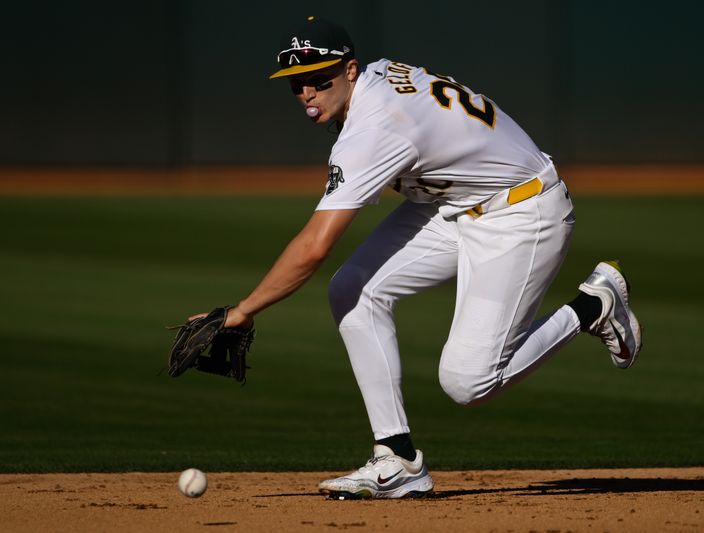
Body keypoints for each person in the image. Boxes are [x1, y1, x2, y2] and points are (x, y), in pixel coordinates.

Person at [217, 16, 642, 499]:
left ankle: (593, 306)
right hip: (457, 205)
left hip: (522, 212)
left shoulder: (373, 129)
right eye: (296, 84)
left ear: (350, 70)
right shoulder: (375, 79)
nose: (308, 93)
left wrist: (244, 309)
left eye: (320, 79)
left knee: (468, 383)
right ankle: (396, 459)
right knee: (352, 288)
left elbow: (315, 246)